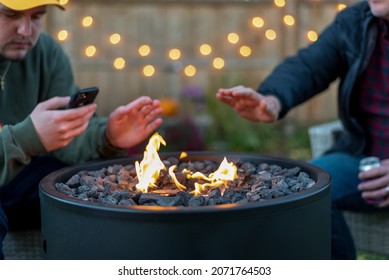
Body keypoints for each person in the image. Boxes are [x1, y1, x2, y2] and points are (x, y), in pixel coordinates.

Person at [216, 0, 389, 260]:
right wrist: (271, 100)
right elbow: (308, 66)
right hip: (363, 155)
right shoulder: (357, 21)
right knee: (308, 191)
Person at [0, 0, 163, 259]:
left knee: (94, 183)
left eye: (37, 16)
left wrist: (107, 136)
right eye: (11, 15)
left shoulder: (47, 53)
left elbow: (70, 142)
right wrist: (23, 139)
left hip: (24, 179)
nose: (25, 30)